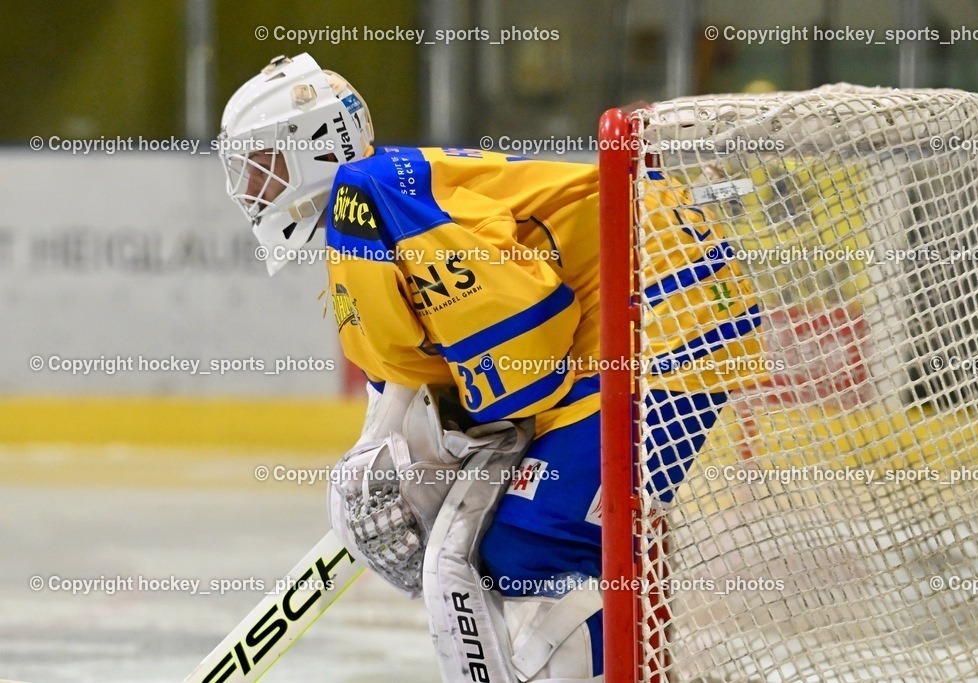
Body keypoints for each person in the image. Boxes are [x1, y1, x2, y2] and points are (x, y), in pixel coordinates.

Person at [219, 53, 762, 682]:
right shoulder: (372, 212)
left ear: (312, 143)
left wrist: (454, 441)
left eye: (262, 163)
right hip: (633, 316)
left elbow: (531, 329)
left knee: (530, 547)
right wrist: (382, 458)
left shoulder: (371, 196)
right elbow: (411, 380)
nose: (250, 185)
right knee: (505, 551)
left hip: (665, 309)